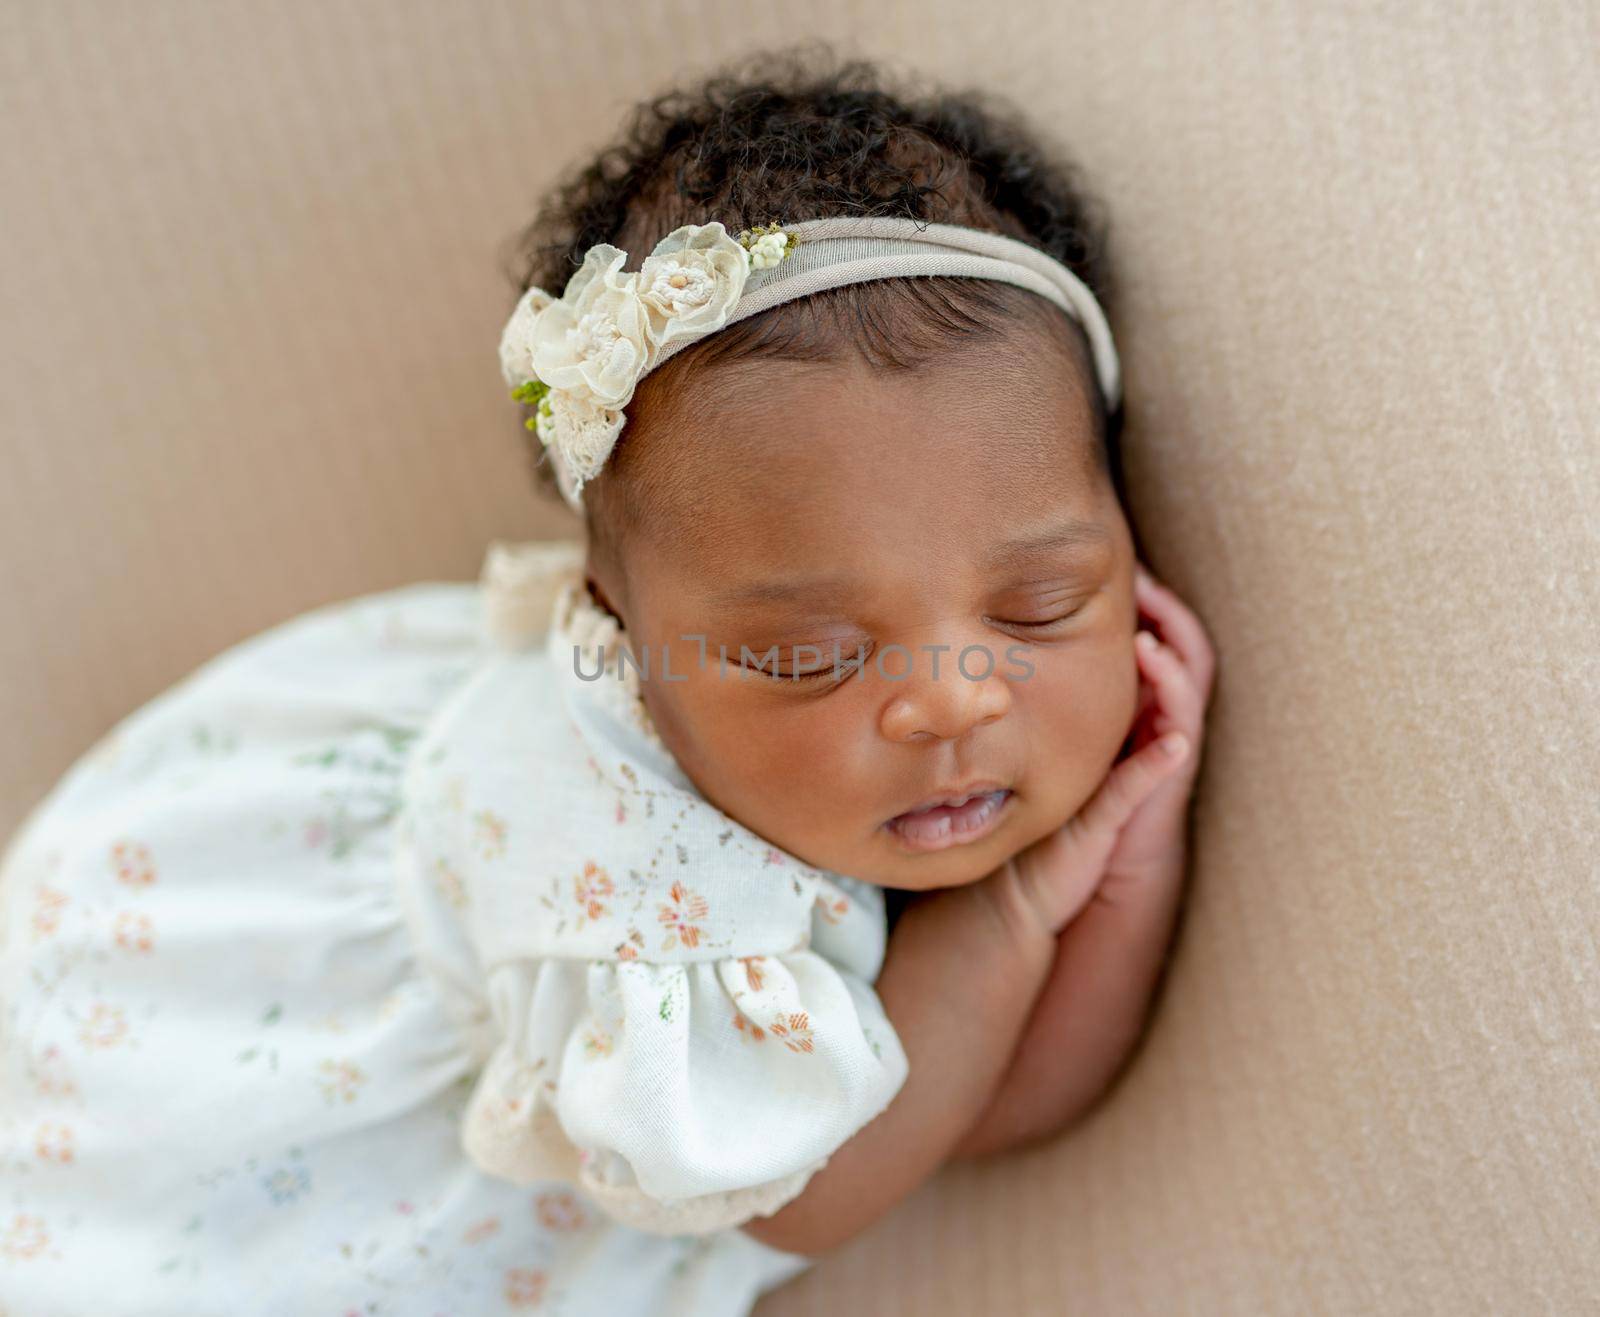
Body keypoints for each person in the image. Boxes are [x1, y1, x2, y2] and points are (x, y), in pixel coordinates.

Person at [0, 44, 1215, 1316]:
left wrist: (1125, 866)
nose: (953, 697)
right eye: (807, 655)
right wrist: (1010, 921)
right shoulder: (617, 857)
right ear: (617, 635)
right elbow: (809, 1188)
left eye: (1040, 606)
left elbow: (989, 1113)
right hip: (222, 1163)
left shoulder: (807, 784)